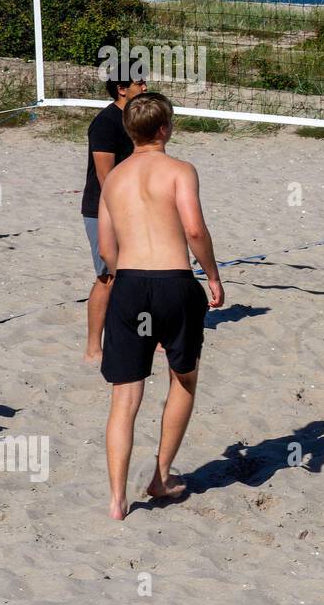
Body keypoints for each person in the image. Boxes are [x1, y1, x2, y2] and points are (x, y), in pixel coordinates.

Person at [97, 93, 223, 520]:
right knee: (183, 380)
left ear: (129, 131)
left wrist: (129, 275)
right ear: (165, 128)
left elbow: (105, 248)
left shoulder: (113, 179)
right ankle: (160, 476)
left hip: (130, 284)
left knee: (124, 398)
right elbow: (194, 229)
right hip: (174, 282)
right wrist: (214, 275)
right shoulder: (180, 171)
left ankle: (117, 500)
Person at [81, 69, 148, 362]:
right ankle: (94, 346)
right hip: (103, 209)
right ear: (122, 88)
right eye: (140, 82)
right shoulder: (105, 124)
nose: (146, 85)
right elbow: (106, 177)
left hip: (134, 205)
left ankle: (149, 337)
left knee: (145, 272)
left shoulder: (138, 120)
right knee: (108, 276)